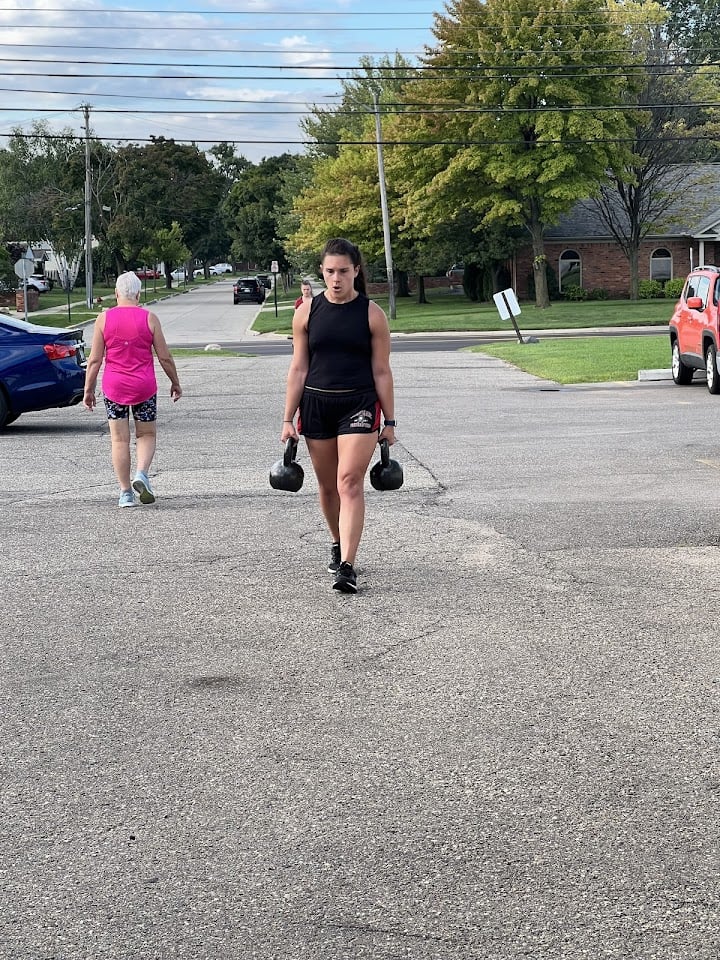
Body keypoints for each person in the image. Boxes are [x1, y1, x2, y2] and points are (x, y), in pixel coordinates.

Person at [281, 238, 396, 594]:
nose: (336, 278)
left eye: (343, 271)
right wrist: (288, 418)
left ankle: (347, 565)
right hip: (316, 405)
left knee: (349, 481)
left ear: (356, 271)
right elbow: (299, 368)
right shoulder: (306, 312)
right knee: (328, 485)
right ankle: (337, 540)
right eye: (330, 271)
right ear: (321, 272)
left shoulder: (371, 314)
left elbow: (382, 371)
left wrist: (389, 421)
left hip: (358, 405)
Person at [83, 271, 182, 507]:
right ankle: (141, 473)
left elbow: (95, 360)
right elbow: (164, 357)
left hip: (114, 387)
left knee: (119, 440)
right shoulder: (150, 318)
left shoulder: (103, 319)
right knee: (146, 434)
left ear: (116, 293)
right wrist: (175, 382)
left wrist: (88, 389)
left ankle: (126, 493)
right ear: (138, 294)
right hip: (144, 386)